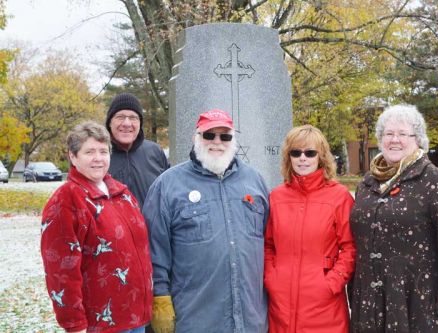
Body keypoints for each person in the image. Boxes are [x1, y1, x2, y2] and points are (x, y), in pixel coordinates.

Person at [349, 104, 438, 333]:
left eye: (403, 134)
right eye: (388, 134)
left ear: (418, 140)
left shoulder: (435, 183)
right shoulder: (366, 184)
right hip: (370, 304)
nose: (394, 140)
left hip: (421, 305)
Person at [143, 109, 270, 333]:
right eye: (209, 135)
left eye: (225, 136)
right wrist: (160, 298)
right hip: (195, 320)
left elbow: (269, 244)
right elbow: (153, 249)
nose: (217, 142)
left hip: (250, 321)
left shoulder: (255, 181)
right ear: (196, 138)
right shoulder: (168, 185)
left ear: (233, 140)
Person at [40, 121, 153, 333]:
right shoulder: (66, 200)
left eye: (103, 151)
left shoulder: (122, 194)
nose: (98, 158)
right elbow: (61, 270)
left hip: (135, 316)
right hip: (100, 323)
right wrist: (74, 324)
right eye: (89, 151)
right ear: (73, 157)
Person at [264, 125, 356, 333]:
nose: (302, 158)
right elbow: (268, 245)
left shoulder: (339, 197)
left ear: (320, 156)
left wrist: (331, 283)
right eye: (296, 153)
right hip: (281, 307)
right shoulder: (276, 197)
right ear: (289, 157)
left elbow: (350, 247)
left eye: (310, 153)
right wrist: (272, 278)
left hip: (324, 307)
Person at [106, 92, 169, 208]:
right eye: (120, 117)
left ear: (140, 123)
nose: (126, 123)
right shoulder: (99, 155)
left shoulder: (154, 152)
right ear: (110, 122)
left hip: (151, 226)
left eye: (133, 118)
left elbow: (170, 193)